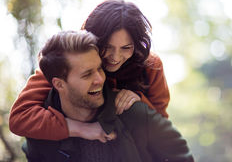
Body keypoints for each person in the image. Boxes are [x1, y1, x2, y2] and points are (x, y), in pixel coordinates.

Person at [9, 0, 170, 142]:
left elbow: (162, 122)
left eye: (126, 48)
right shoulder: (68, 57)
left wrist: (139, 100)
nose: (115, 57)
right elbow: (20, 118)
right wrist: (79, 129)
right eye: (107, 47)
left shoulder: (150, 65)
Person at [22, 30, 193, 162]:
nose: (100, 79)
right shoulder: (39, 134)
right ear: (59, 84)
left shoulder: (135, 114)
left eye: (99, 68)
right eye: (87, 74)